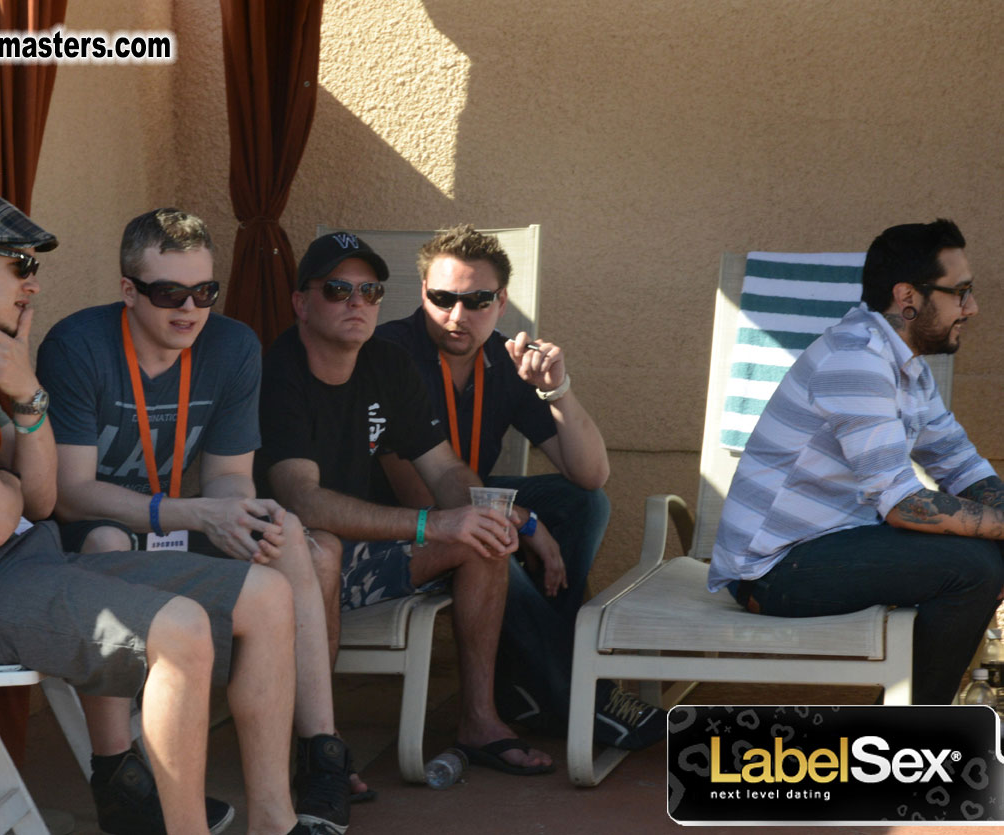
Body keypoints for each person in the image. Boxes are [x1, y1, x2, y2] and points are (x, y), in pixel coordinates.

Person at [0, 188, 318, 835]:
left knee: (268, 593)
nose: (32, 284)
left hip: (18, 567)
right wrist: (6, 478)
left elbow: (40, 497)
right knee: (183, 629)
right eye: (20, 265)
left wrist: (26, 398)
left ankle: (274, 822)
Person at [36, 208, 359, 835]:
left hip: (177, 515)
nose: (189, 309)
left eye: (205, 292)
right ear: (129, 291)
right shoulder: (77, 345)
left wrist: (238, 510)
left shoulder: (233, 345)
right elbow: (71, 495)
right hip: (99, 524)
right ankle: (118, 772)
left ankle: (319, 754)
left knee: (283, 534)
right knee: (104, 541)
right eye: (169, 294)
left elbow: (229, 476)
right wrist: (192, 512)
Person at [259, 231, 553, 776]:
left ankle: (479, 721)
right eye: (338, 289)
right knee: (321, 545)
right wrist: (434, 523)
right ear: (302, 302)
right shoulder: (280, 371)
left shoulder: (387, 364)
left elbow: (442, 470)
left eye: (370, 292)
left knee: (480, 537)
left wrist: (501, 516)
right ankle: (318, 748)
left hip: (362, 557)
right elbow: (302, 500)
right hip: (286, 564)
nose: (356, 303)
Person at [372, 224, 663, 749]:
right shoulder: (391, 352)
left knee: (583, 503)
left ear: (501, 301)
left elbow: (592, 473)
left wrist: (558, 391)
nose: (457, 315)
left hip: (468, 500)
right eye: (442, 298)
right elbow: (416, 494)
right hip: (398, 520)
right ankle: (583, 695)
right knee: (496, 540)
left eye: (477, 300)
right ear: (423, 294)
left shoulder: (504, 360)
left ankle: (529, 684)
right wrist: (524, 522)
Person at [709, 218, 1004, 705]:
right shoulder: (856, 361)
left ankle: (914, 719)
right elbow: (904, 505)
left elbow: (962, 466)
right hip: (773, 569)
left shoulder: (905, 367)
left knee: (984, 554)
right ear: (908, 296)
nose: (971, 308)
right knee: (971, 566)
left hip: (833, 542)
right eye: (961, 292)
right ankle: (914, 734)